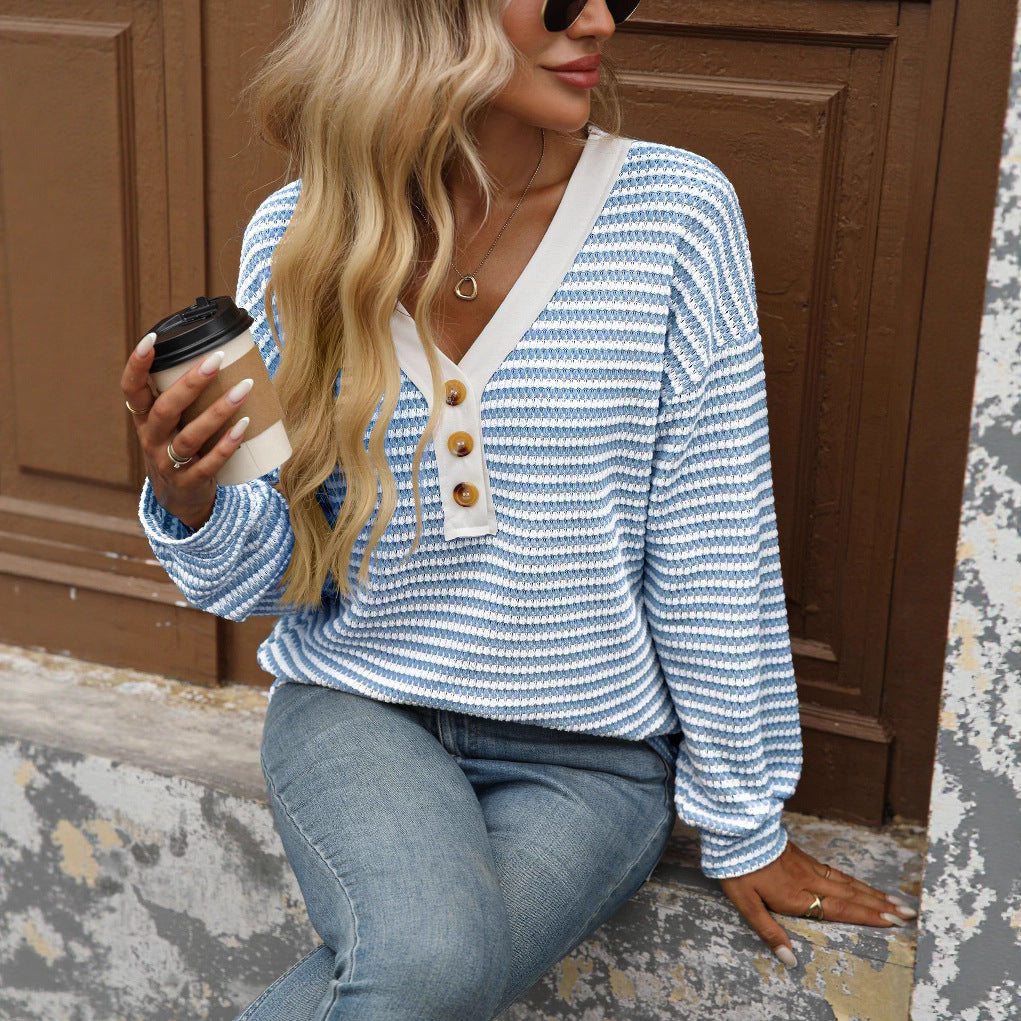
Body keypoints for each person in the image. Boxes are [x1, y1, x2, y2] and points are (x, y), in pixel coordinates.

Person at [120, 1, 918, 1017]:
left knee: (421, 973)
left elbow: (712, 544)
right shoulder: (300, 234)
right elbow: (266, 579)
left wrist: (741, 821)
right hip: (360, 710)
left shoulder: (673, 214)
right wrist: (194, 500)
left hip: (589, 761)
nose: (599, 21)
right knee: (425, 965)